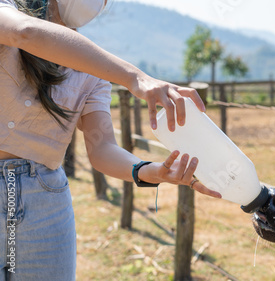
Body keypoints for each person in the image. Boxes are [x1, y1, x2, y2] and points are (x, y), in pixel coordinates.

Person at [0, 0, 221, 279]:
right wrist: (136, 78)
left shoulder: (95, 72)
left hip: (45, 201)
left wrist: (151, 170)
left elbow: (102, 148)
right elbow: (25, 32)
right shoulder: (7, 11)